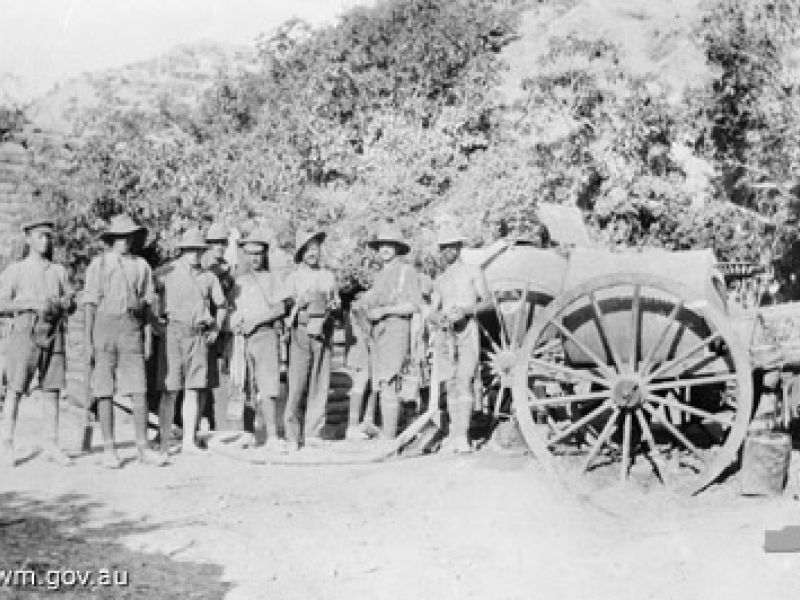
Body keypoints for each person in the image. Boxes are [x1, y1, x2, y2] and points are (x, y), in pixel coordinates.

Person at [84, 214, 160, 468]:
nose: (124, 242)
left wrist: (148, 336)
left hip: (131, 329)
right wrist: (88, 339)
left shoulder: (142, 266)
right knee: (104, 390)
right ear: (111, 239)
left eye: (128, 237)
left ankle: (142, 447)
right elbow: (90, 304)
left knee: (139, 389)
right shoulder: (100, 264)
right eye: (119, 237)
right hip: (104, 326)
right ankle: (109, 449)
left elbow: (148, 306)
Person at [0, 215, 75, 467]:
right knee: (15, 388)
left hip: (54, 331)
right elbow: (2, 302)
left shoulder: (59, 271)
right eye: (39, 236)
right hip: (25, 329)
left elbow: (70, 301)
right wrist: (31, 303)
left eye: (48, 237)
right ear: (28, 238)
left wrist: (65, 303)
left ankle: (51, 444)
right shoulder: (16, 270)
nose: (45, 241)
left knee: (52, 389)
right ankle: (7, 444)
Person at [156, 228, 227, 457]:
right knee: (170, 389)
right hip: (174, 334)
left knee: (194, 389)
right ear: (182, 251)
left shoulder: (209, 276)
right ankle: (164, 441)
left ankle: (188, 440)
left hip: (198, 335)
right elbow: (148, 294)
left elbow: (223, 305)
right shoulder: (168, 272)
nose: (194, 254)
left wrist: (216, 326)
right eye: (190, 250)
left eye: (198, 250)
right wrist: (157, 323)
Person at [430, 223, 491, 453]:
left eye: (451, 247)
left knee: (465, 379)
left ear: (458, 247)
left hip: (467, 330)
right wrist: (438, 319)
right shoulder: (441, 279)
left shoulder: (473, 271)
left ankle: (462, 436)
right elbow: (431, 312)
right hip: (445, 334)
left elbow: (489, 302)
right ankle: (454, 435)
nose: (447, 252)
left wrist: (466, 311)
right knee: (450, 383)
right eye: (443, 248)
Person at [359, 225, 422, 440]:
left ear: (397, 248)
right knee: (383, 383)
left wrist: (385, 310)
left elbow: (415, 305)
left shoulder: (407, 271)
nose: (385, 249)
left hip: (397, 329)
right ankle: (388, 433)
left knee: (390, 381)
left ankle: (389, 437)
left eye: (390, 245)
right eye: (382, 245)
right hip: (379, 333)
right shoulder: (380, 275)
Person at [229, 228, 287, 453]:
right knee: (245, 384)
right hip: (243, 339)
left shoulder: (272, 279)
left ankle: (272, 435)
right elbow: (232, 309)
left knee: (268, 386)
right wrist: (236, 322)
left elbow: (281, 307)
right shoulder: (239, 281)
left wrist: (256, 321)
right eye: (250, 254)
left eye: (258, 254)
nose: (254, 258)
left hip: (265, 335)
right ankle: (248, 433)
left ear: (264, 255)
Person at [282, 229, 339, 450]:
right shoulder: (293, 277)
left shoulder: (328, 276)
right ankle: (292, 435)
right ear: (301, 253)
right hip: (300, 332)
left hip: (323, 332)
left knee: (320, 383)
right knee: (296, 384)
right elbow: (283, 307)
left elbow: (335, 304)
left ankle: (313, 433)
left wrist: (334, 308)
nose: (312, 253)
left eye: (315, 248)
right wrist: (297, 303)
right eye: (307, 249)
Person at [203, 222, 235, 431]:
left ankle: (217, 424)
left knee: (219, 376)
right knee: (200, 375)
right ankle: (201, 421)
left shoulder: (226, 268)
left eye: (222, 242)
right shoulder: (203, 265)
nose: (219, 246)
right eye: (215, 243)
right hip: (202, 324)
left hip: (221, 326)